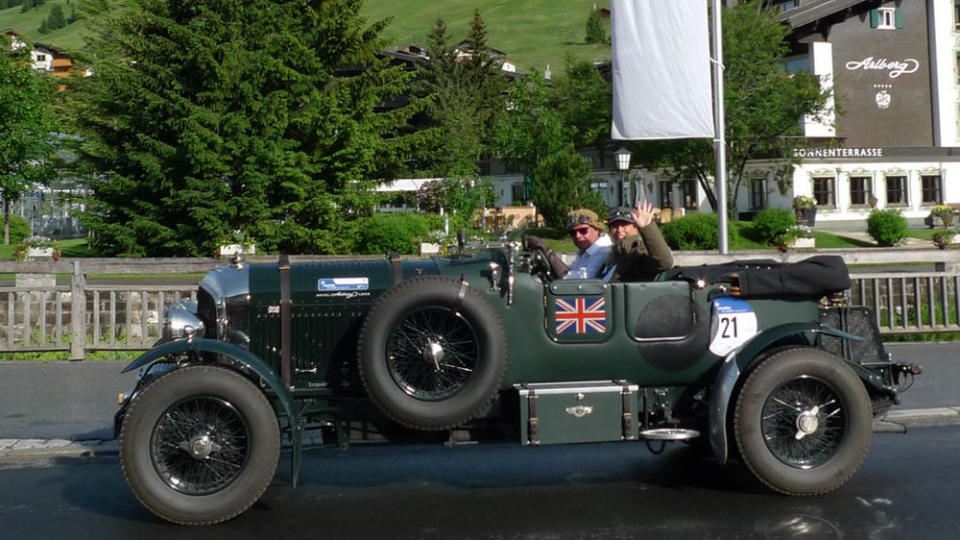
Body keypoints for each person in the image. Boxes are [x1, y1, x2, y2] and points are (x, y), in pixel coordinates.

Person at [525, 208, 612, 279]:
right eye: (573, 233)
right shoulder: (585, 252)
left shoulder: (603, 250)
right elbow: (571, 271)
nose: (577, 236)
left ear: (597, 229)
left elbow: (580, 280)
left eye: (583, 230)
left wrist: (548, 253)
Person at [600, 200, 674, 282]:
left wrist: (647, 227)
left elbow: (664, 262)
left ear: (636, 227)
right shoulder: (613, 255)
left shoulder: (639, 250)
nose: (619, 230)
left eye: (624, 225)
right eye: (614, 226)